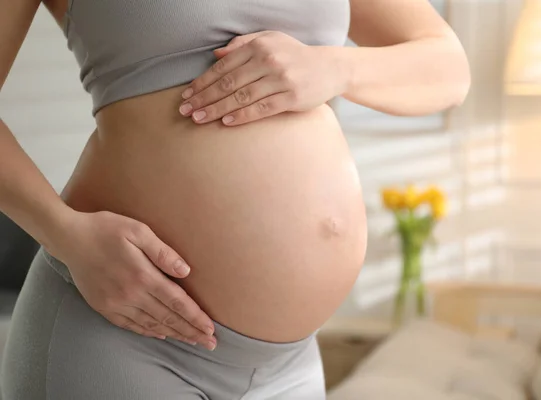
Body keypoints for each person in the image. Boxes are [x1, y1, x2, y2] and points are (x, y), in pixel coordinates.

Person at [0, 0, 470, 398]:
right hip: (121, 335)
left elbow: (448, 66)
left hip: (290, 366)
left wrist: (336, 66)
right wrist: (65, 234)